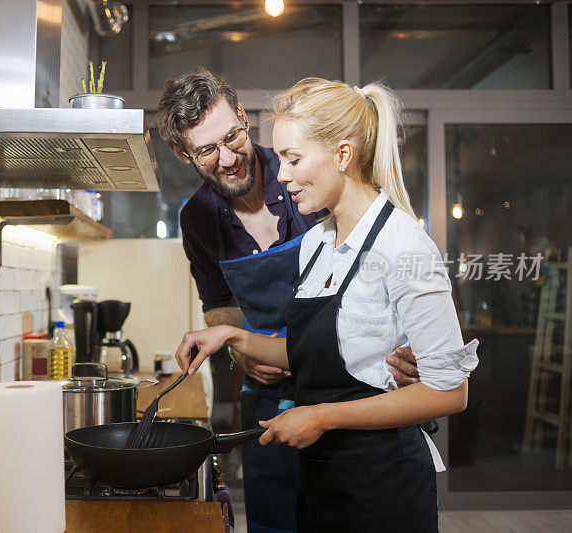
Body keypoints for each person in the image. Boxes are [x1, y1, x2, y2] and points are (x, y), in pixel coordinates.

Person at [174, 77, 479, 531]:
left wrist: (322, 415)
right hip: (322, 478)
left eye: (293, 160)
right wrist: (232, 336)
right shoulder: (317, 243)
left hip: (382, 481)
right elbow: (306, 352)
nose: (280, 174)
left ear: (341, 154)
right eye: (282, 159)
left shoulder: (404, 247)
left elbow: (451, 392)